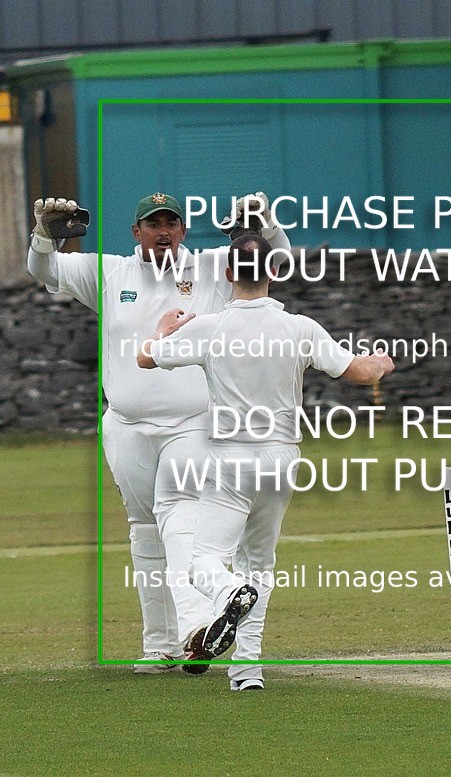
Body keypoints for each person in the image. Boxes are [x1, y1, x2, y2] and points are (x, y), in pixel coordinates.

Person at [27, 191, 291, 673]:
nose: (163, 231)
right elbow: (44, 272)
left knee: (180, 514)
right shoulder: (110, 273)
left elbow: (277, 262)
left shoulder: (211, 267)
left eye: (172, 223)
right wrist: (44, 235)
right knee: (145, 530)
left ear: (184, 231)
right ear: (137, 233)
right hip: (125, 423)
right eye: (153, 224)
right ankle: (161, 645)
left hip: (193, 423)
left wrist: (265, 223)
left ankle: (198, 624)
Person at [137, 234, 394, 690]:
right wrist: (381, 362)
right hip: (282, 457)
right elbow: (359, 373)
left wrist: (163, 329)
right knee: (260, 562)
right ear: (273, 272)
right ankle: (247, 670)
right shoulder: (299, 327)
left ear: (229, 274)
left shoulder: (209, 327)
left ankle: (229, 594)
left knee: (204, 564)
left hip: (231, 456)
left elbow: (144, 358)